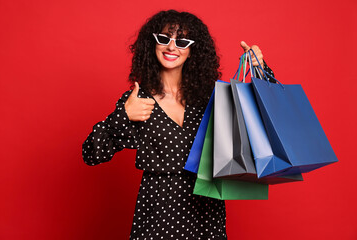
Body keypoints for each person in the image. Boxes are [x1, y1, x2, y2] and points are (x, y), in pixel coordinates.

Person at [82, 9, 274, 239]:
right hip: (158, 215)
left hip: (206, 212)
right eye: (164, 39)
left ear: (193, 50)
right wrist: (123, 115)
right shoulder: (138, 99)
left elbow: (257, 122)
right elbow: (91, 154)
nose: (172, 47)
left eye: (182, 41)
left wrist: (259, 70)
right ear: (152, 44)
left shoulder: (209, 98)